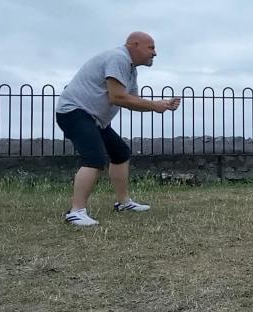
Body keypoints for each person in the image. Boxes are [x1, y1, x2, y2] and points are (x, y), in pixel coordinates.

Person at [55, 32, 180, 226]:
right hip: (74, 112)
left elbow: (133, 101)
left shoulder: (130, 69)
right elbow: (117, 97)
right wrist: (156, 106)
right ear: (134, 45)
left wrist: (160, 104)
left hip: (94, 118)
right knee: (94, 158)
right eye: (151, 48)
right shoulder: (118, 58)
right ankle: (75, 212)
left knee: (120, 153)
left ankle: (123, 203)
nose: (155, 53)